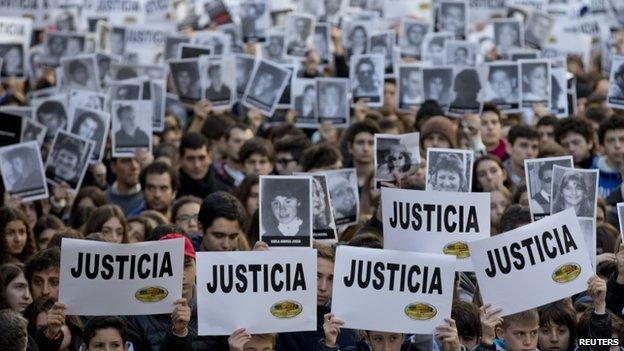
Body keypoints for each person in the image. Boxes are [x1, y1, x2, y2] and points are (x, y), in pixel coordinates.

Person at [591, 116, 624, 198]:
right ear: (602, 145)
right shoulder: (591, 176)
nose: (617, 145)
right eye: (611, 140)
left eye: (622, 139)